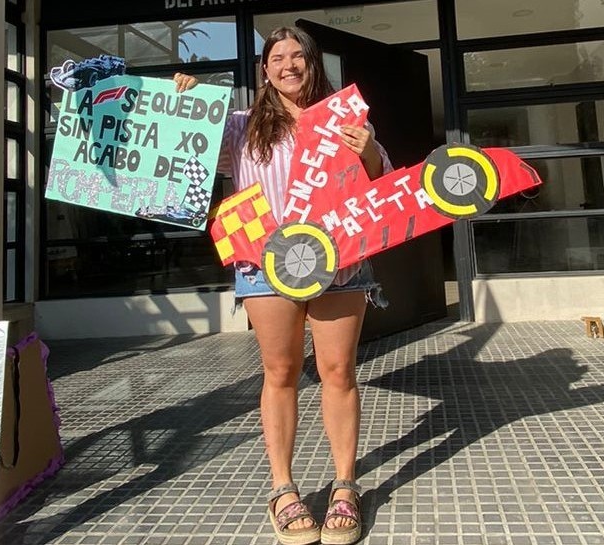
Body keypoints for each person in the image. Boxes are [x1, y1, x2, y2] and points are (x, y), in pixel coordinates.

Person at [176, 26, 390, 545]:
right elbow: (186, 156)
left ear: (312, 64)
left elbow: (381, 185)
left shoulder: (345, 120)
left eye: (298, 55)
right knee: (280, 371)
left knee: (338, 370)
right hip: (264, 262)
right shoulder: (241, 126)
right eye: (277, 57)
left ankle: (344, 486)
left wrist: (370, 149)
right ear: (265, 69)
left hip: (340, 260)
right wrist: (179, 104)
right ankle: (283, 488)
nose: (288, 64)